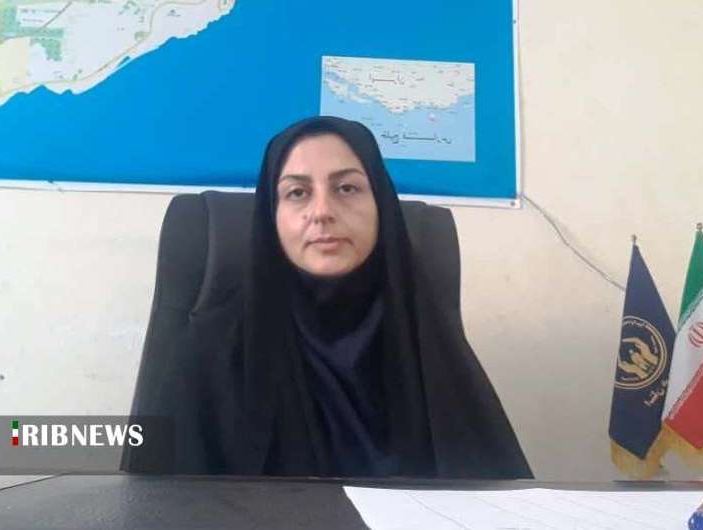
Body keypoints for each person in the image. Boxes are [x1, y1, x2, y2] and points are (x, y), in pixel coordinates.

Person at [123, 116, 532, 478]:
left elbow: (498, 500)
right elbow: (158, 506)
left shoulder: (429, 346)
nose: (322, 211)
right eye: (297, 193)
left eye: (347, 188)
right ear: (271, 216)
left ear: (382, 206)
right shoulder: (210, 351)